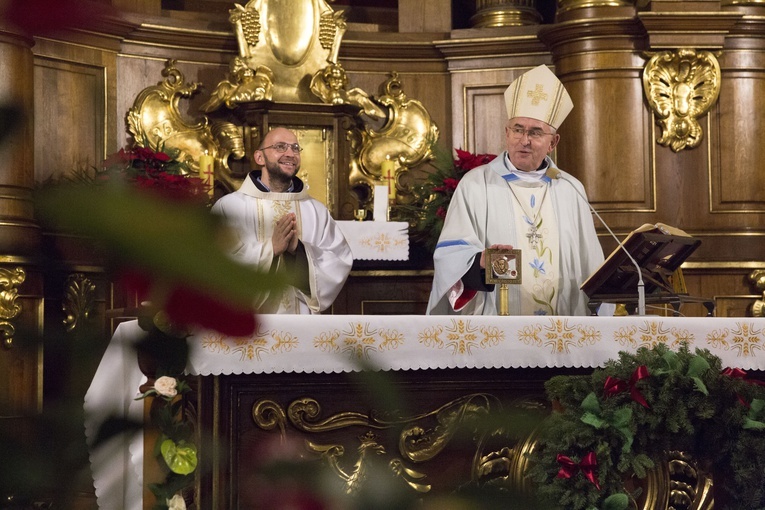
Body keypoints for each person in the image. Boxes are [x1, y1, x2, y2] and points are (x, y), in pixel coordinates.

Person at [427, 64, 610, 316]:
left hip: (564, 331)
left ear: (552, 143)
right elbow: (450, 259)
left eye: (535, 132)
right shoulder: (476, 185)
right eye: (518, 129)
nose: (524, 140)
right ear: (506, 133)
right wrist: (480, 261)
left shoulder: (570, 189)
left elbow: (591, 267)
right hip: (498, 334)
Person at [212, 127, 352, 314]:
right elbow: (215, 266)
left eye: (295, 148)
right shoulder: (230, 207)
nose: (290, 154)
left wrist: (299, 252)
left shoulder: (316, 210)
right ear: (259, 157)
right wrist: (271, 250)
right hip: (250, 330)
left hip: (302, 328)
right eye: (280, 147)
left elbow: (338, 260)